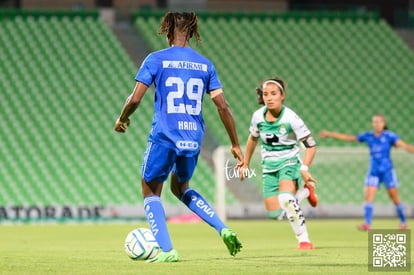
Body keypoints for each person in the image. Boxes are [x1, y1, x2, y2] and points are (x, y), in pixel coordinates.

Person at [114, 12, 243, 262]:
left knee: (150, 190)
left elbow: (135, 98)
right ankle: (222, 227)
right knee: (181, 187)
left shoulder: (156, 59)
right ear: (193, 32)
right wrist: (235, 144)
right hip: (193, 138)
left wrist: (123, 118)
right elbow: (223, 107)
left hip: (165, 135)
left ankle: (167, 250)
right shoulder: (205, 65)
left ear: (167, 30)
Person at [240, 77, 318, 250]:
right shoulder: (258, 117)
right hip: (269, 168)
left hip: (289, 163)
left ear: (282, 95)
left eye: (274, 94)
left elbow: (311, 145)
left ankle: (304, 240)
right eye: (266, 94)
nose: (269, 98)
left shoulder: (291, 118)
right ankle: (306, 191)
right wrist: (245, 163)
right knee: (275, 214)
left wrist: (304, 168)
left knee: (286, 198)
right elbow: (252, 139)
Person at [319, 114, 414, 231]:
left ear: (383, 124)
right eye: (375, 122)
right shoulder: (368, 136)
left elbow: (404, 145)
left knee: (395, 198)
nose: (377, 124)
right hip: (373, 172)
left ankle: (403, 222)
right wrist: (330, 134)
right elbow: (350, 138)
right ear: (372, 124)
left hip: (387, 172)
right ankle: (367, 224)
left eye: (379, 122)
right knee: (368, 197)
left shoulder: (390, 136)